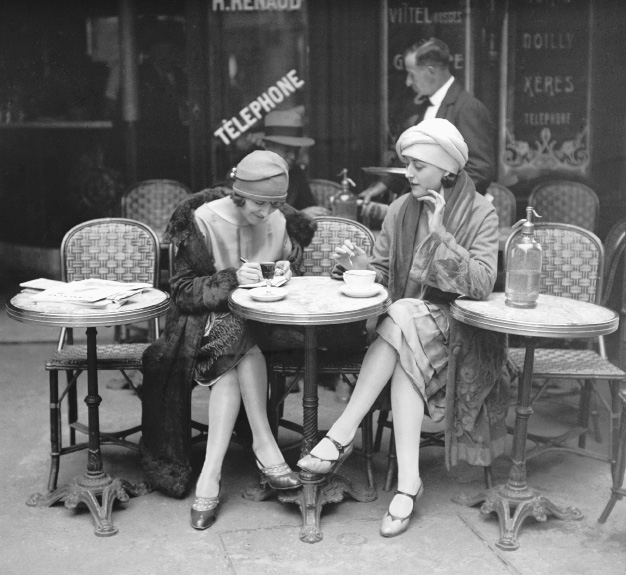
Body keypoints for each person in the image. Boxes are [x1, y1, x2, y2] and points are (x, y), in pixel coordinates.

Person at [298, 119, 500, 538]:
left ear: (446, 170)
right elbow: (382, 272)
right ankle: (409, 482)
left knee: (403, 316)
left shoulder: (481, 210)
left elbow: (481, 284)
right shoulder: (400, 209)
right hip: (408, 329)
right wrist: (357, 267)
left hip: (459, 327)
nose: (407, 173)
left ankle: (342, 432)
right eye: (406, 163)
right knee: (405, 325)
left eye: (417, 166)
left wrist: (442, 233)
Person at [140, 150, 317, 530]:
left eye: (275, 204)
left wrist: (285, 270)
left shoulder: (279, 220)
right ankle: (264, 445)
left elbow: (288, 278)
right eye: (258, 203)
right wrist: (233, 280)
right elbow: (183, 292)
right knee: (236, 334)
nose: (266, 213)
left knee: (240, 337)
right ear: (238, 193)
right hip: (199, 323)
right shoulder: (202, 219)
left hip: (263, 323)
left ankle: (211, 474)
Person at [360, 37, 496, 203]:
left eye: (411, 74)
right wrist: (384, 185)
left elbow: (480, 171)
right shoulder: (420, 108)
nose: (408, 82)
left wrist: (439, 198)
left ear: (431, 71)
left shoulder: (467, 108)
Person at [260, 108, 330, 218]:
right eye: (286, 150)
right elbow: (256, 216)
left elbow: (309, 206)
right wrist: (298, 215)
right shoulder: (245, 172)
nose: (293, 156)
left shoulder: (296, 172)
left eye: (296, 150)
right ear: (267, 146)